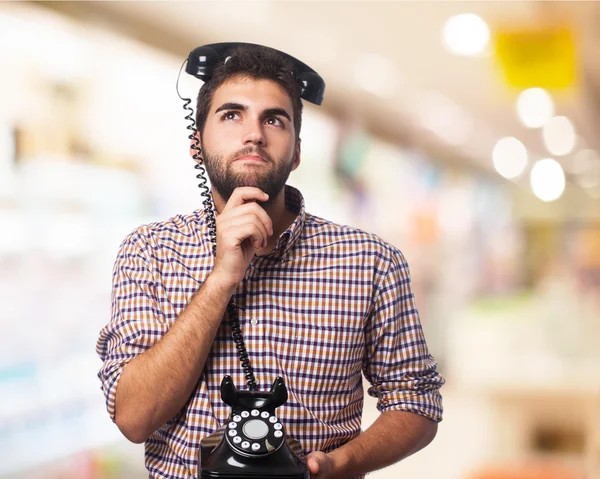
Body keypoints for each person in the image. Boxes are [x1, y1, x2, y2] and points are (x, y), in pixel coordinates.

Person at [96, 43, 445, 479]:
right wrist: (223, 277)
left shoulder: (372, 262)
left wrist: (340, 464)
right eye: (231, 115)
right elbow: (133, 417)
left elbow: (416, 400)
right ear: (196, 144)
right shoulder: (148, 251)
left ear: (296, 151)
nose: (254, 134)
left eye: (273, 120)